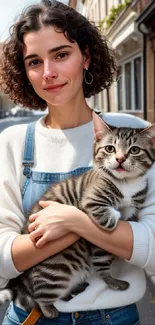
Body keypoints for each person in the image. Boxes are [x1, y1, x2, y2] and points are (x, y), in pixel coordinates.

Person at [0, 1, 155, 324]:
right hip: (29, 316)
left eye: (60, 54)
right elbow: (3, 260)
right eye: (33, 61)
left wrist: (75, 221)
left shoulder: (135, 136)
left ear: (85, 57)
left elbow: (153, 249)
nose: (48, 73)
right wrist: (100, 228)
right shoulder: (13, 144)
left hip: (112, 317)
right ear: (24, 72)